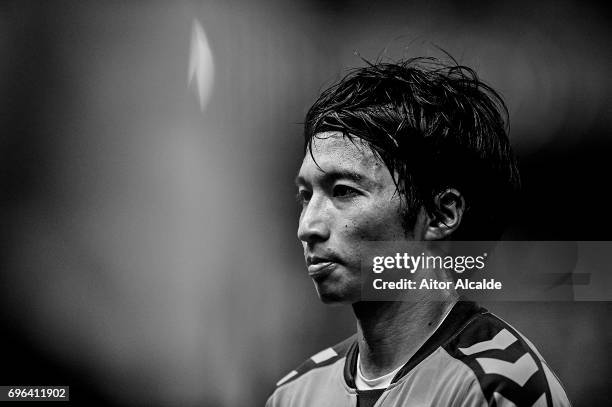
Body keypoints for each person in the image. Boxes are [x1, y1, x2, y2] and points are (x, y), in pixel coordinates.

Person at [266, 57, 571, 407]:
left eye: (344, 190)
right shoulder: (295, 394)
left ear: (441, 215)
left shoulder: (499, 387)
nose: (308, 227)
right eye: (305, 196)